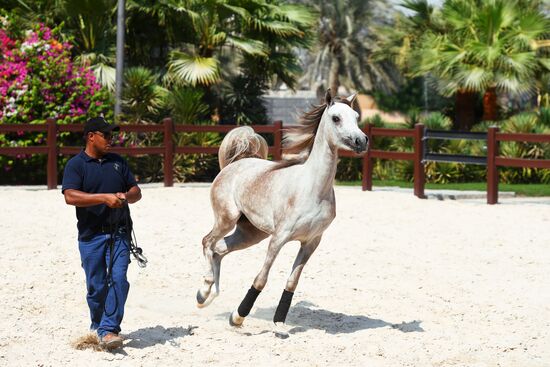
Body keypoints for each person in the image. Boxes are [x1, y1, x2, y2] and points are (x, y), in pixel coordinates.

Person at [62, 116, 142, 350]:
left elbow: (136, 190)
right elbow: (70, 196)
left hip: (120, 232)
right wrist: (104, 199)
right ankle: (99, 325)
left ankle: (108, 329)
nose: (111, 139)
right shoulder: (76, 165)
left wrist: (125, 197)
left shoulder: (117, 162)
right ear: (91, 136)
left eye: (111, 135)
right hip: (91, 236)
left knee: (119, 279)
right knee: (96, 286)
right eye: (106, 135)